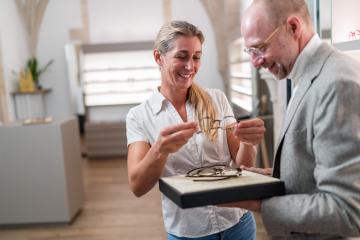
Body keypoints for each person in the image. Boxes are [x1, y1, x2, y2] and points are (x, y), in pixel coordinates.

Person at [220, 0, 360, 239]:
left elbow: (348, 210)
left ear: (293, 27)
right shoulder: (305, 76)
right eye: (250, 52)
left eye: (260, 48)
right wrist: (272, 178)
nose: (255, 62)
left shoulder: (337, 83)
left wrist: (260, 203)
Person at [126, 20, 265, 240]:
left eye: (197, 57)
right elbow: (137, 186)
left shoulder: (216, 99)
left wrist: (248, 142)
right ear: (158, 58)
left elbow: (242, 167)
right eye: (181, 56)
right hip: (189, 232)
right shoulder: (139, 116)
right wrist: (160, 150)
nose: (190, 66)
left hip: (238, 224)